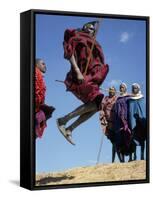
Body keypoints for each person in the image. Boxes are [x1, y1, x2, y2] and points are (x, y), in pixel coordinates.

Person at [57, 21, 109, 145]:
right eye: (90, 28)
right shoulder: (77, 37)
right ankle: (63, 121)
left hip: (90, 77)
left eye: (94, 29)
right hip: (80, 76)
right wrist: (77, 71)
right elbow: (70, 54)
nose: (93, 30)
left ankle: (69, 127)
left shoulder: (93, 42)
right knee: (98, 100)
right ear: (85, 27)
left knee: (97, 106)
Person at [35, 58, 55, 139]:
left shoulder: (40, 76)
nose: (45, 66)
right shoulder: (35, 73)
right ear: (36, 65)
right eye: (43, 64)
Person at [127, 83, 146, 160]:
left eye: (136, 88)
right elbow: (130, 111)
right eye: (133, 88)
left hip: (141, 123)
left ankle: (142, 155)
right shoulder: (130, 100)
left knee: (142, 140)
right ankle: (134, 156)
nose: (134, 89)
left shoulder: (142, 99)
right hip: (133, 124)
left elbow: (144, 110)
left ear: (138, 89)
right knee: (133, 140)